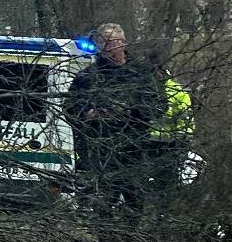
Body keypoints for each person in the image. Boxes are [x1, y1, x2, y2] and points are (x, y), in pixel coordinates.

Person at [63, 23, 167, 213]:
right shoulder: (87, 77)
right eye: (103, 43)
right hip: (98, 151)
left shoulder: (141, 74)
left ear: (124, 43)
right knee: (102, 204)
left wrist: (129, 112)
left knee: (134, 202)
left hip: (133, 149)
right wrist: (91, 114)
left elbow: (159, 106)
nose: (109, 48)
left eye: (113, 43)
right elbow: (70, 109)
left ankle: (131, 239)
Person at [147, 56, 195, 196]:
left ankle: (163, 209)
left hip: (169, 145)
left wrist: (180, 142)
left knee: (167, 180)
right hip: (147, 144)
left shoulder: (177, 92)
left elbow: (185, 121)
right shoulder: (145, 88)